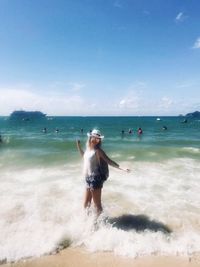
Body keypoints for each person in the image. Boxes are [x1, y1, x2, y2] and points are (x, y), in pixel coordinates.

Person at [76, 129, 130, 216]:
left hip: (95, 179)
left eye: (98, 139)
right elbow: (84, 157)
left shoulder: (98, 151)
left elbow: (109, 161)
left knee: (97, 205)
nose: (96, 140)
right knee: (86, 204)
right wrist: (78, 146)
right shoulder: (88, 150)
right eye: (94, 138)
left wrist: (122, 168)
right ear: (90, 138)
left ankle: (99, 224)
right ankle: (87, 221)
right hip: (87, 179)